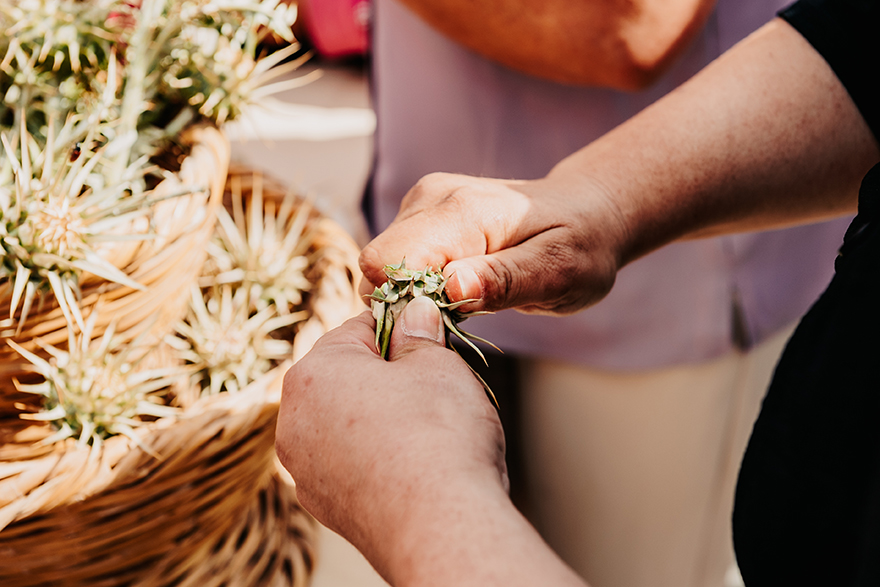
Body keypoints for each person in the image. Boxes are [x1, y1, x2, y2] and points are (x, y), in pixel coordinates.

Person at [276, 0, 880, 585]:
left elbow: (634, 24)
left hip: (659, 310)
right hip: (505, 208)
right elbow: (863, 33)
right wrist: (595, 199)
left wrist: (420, 506)